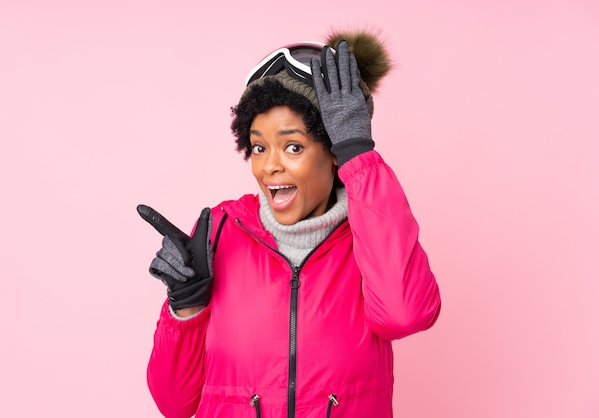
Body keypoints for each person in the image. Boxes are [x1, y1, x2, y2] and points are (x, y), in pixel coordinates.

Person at [138, 29, 441, 418]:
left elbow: (406, 314)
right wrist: (185, 309)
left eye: (293, 146)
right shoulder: (218, 233)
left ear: (334, 151)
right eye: (259, 147)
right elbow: (174, 403)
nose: (270, 166)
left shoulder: (369, 241)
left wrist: (358, 155)